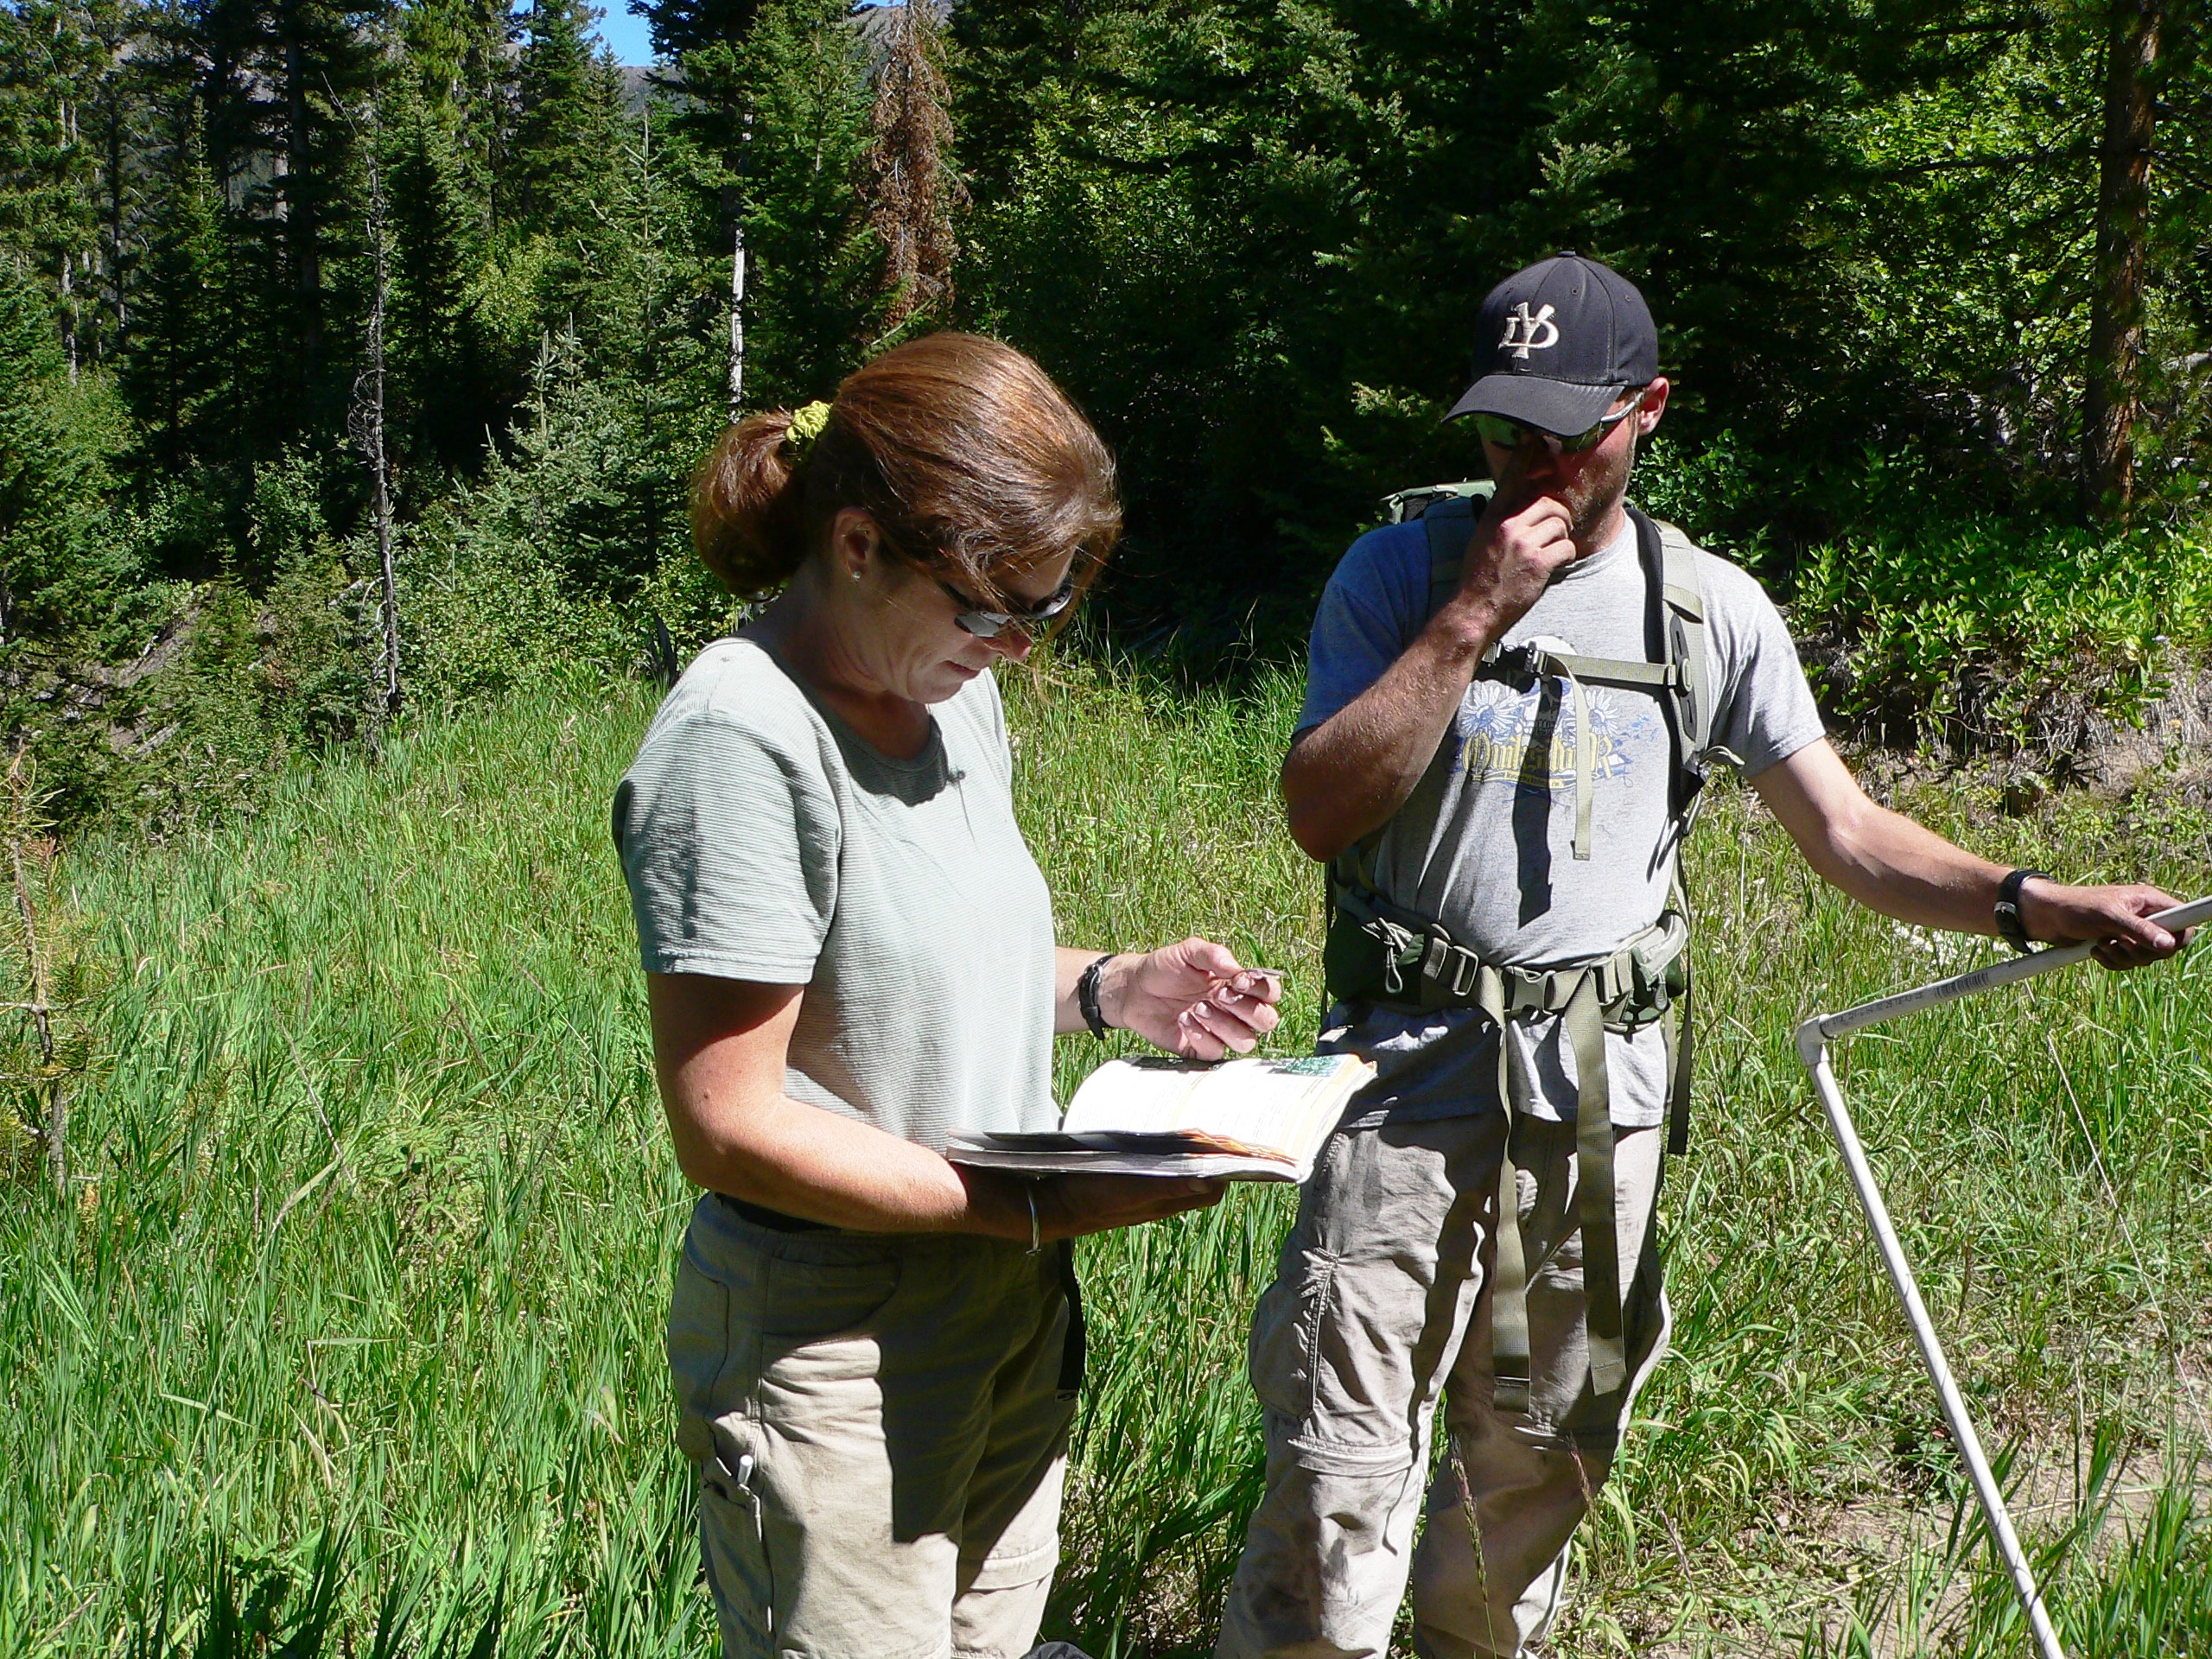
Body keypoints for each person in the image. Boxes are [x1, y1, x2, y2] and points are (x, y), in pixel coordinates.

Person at [1214, 254, 2190, 1659]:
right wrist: (1470, 618)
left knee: (1549, 1447)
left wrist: (2037, 899)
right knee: (1333, 1459)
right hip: (1396, 1088)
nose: (1531, 462)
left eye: (1570, 431)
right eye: (1503, 430)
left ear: (1649, 409)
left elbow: (1849, 837)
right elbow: (1320, 808)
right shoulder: (1400, 575)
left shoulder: (1708, 609)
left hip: (1601, 1098)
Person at [614, 332, 1282, 1659]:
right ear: (856, 545)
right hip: (837, 1349)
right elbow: (727, 1122)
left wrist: (1115, 989)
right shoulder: (740, 741)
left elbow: (915, 975)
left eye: (1044, 611)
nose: (1017, 649)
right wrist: (1037, 1205)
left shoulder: (949, 693)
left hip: (1001, 1306)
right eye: (991, 609)